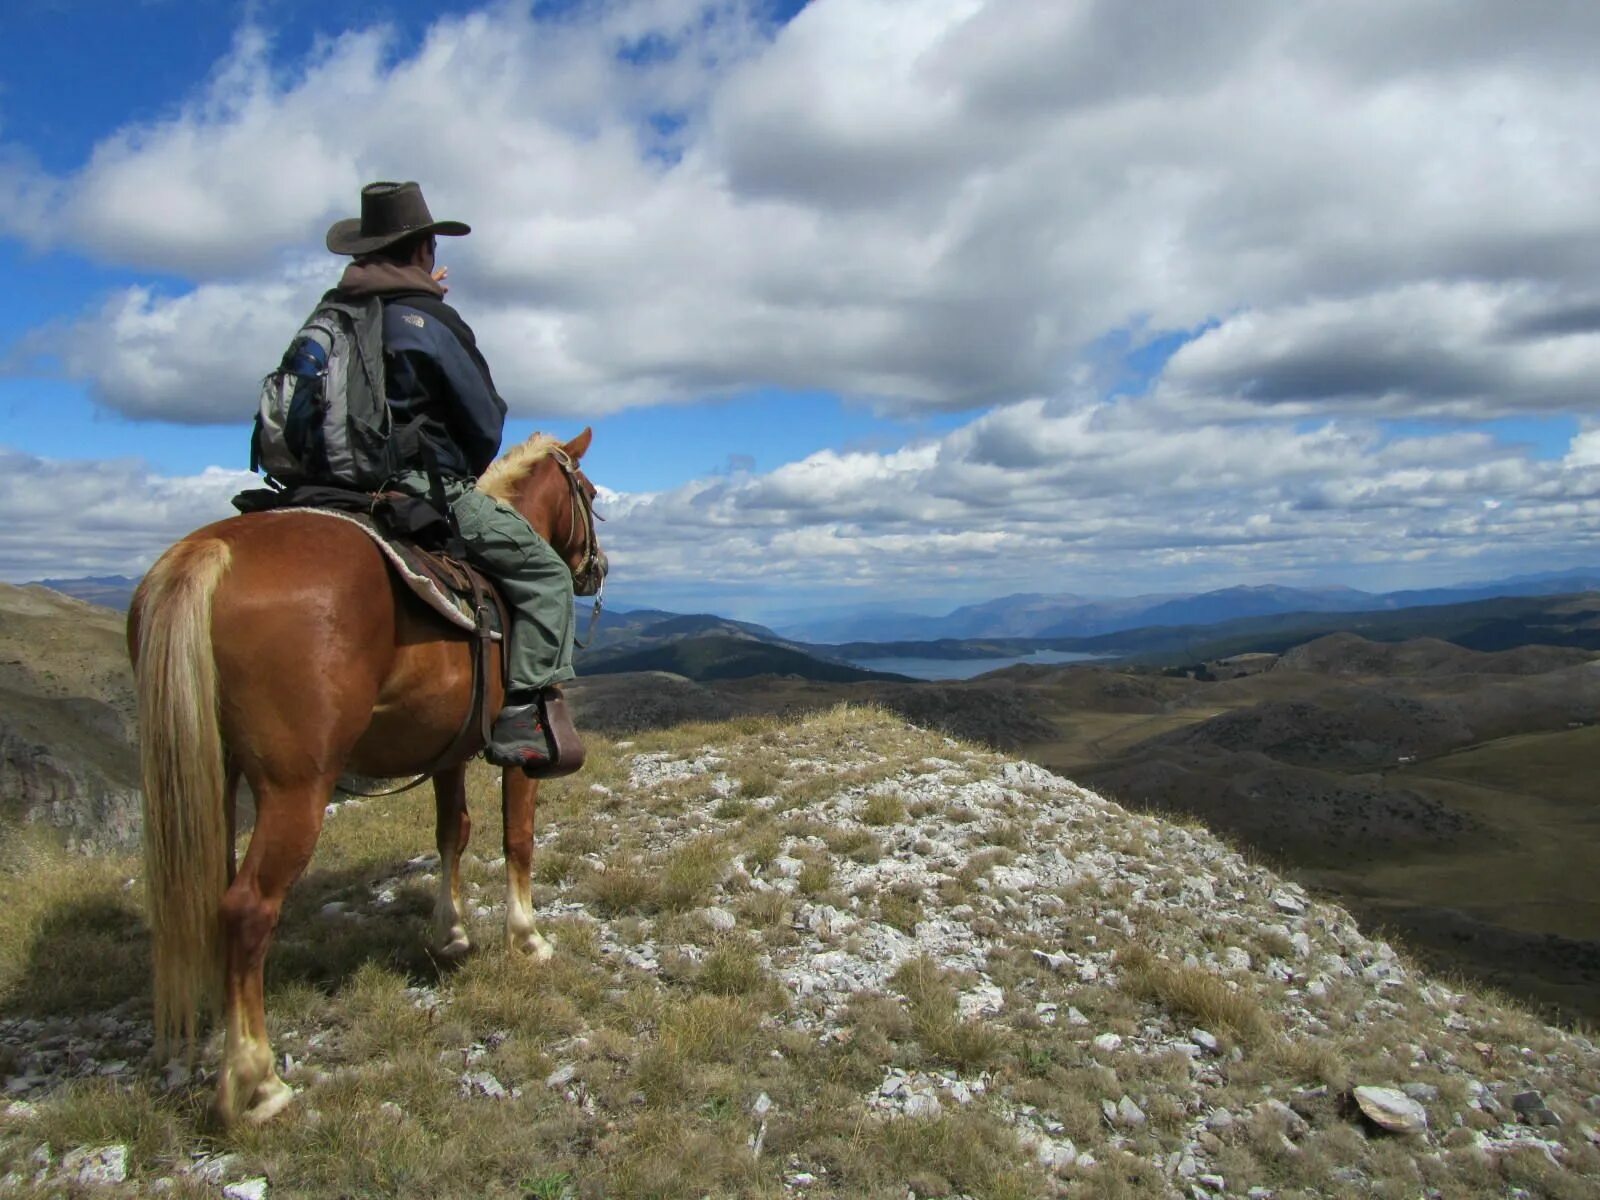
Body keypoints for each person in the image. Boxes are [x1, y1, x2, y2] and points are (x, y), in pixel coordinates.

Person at [323, 180, 574, 771]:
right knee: (547, 574)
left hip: (323, 488)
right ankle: (520, 716)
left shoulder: (336, 314)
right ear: (422, 251)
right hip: (412, 485)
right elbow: (486, 420)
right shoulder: (429, 320)